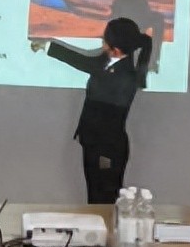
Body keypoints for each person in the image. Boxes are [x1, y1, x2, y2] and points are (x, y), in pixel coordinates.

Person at [34, 17, 152, 204]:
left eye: (105, 39)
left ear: (116, 48)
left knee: (104, 198)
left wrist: (49, 47)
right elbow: (83, 61)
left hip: (107, 148)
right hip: (94, 143)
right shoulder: (109, 62)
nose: (102, 42)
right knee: (94, 195)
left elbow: (88, 65)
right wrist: (48, 47)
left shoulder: (124, 76)